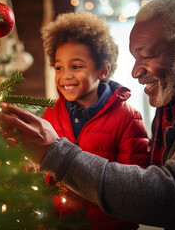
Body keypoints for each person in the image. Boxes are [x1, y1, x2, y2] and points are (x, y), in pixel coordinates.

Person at [0, 0, 175, 229]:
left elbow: (171, 196)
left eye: (146, 55)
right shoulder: (173, 102)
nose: (135, 73)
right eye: (59, 67)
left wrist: (55, 154)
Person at [40, 11, 149, 230]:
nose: (65, 75)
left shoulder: (128, 118)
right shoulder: (51, 114)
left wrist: (87, 191)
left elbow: (133, 189)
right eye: (59, 67)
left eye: (76, 66)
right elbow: (43, 169)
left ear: (103, 71)